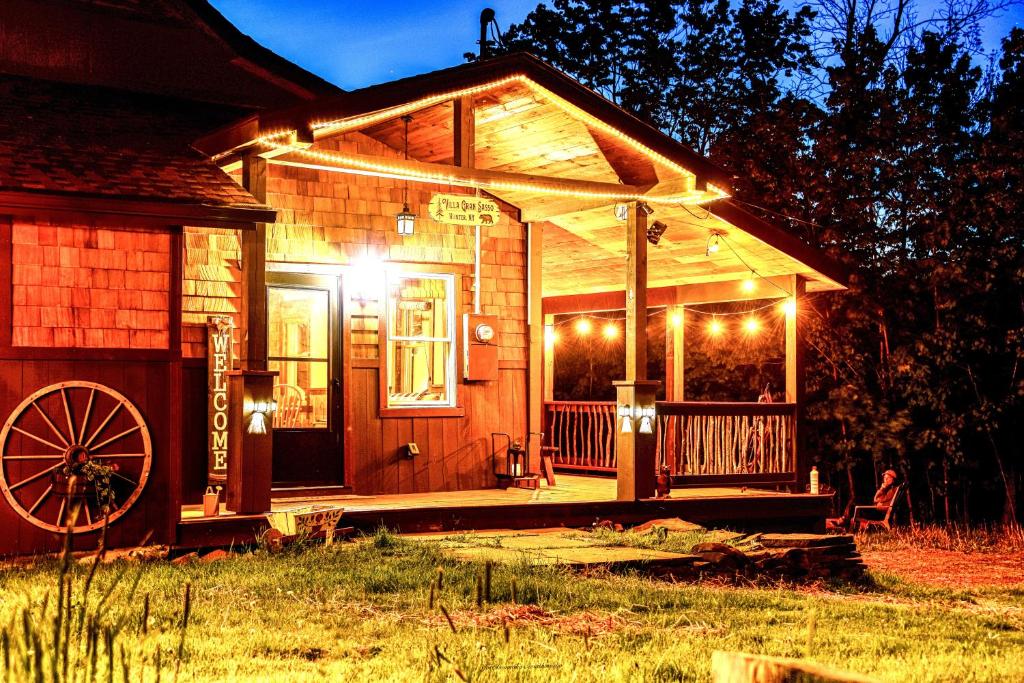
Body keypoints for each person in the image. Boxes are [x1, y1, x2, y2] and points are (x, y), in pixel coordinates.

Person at [826, 469, 899, 531]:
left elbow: (876, 499)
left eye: (888, 478)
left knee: (854, 502)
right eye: (884, 478)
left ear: (893, 480)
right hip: (878, 511)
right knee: (854, 501)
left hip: (879, 514)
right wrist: (882, 491)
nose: (885, 479)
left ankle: (842, 521)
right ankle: (843, 521)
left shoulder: (892, 491)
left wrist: (882, 489)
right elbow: (877, 500)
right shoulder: (889, 490)